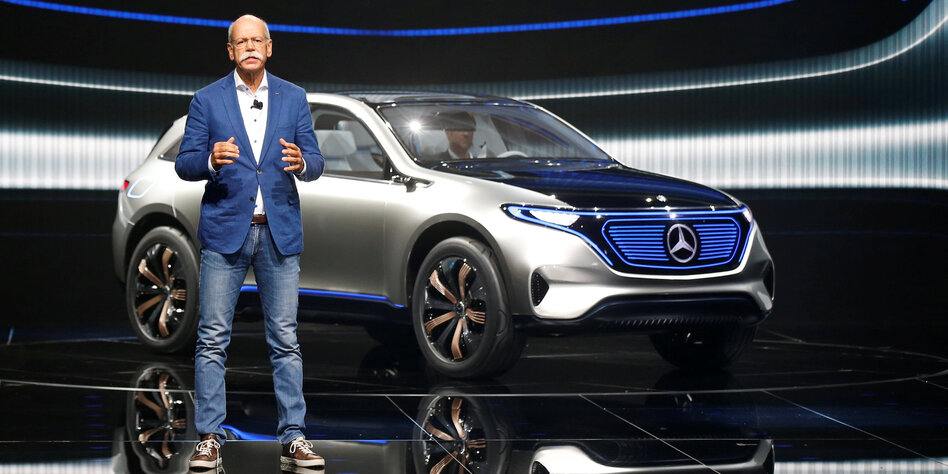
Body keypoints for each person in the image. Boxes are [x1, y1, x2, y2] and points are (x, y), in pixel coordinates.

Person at [174, 14, 325, 470]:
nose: (250, 47)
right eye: (242, 42)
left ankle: (294, 437)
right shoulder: (207, 99)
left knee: (285, 340)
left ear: (270, 47)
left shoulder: (294, 97)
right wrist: (210, 159)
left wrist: (303, 163)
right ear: (231, 51)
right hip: (225, 231)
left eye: (257, 40)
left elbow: (316, 161)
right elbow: (184, 163)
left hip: (278, 231)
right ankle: (209, 438)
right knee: (212, 339)